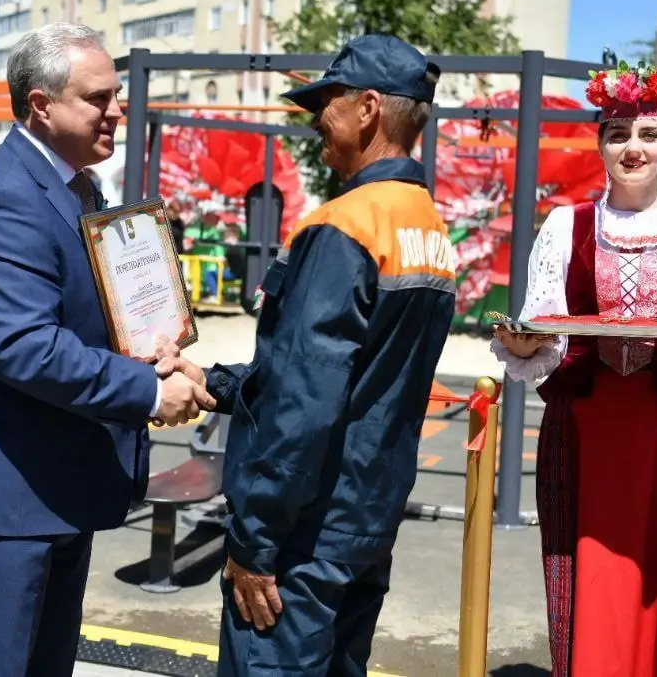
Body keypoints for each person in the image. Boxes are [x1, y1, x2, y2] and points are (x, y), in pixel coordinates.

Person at [0, 23, 213, 676]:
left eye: (117, 94)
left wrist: (154, 353)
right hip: (3, 502)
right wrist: (152, 392)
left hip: (54, 488)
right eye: (97, 98)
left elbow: (84, 324)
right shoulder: (4, 199)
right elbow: (26, 348)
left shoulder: (78, 189)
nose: (117, 109)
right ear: (41, 105)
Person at [165, 34, 458, 676]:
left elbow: (305, 401)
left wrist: (254, 540)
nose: (316, 121)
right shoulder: (425, 226)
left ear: (369, 109)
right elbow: (358, 378)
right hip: (366, 521)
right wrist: (213, 382)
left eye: (326, 103)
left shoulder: (343, 225)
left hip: (303, 532)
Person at [490, 62, 657, 676]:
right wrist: (525, 345)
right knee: (590, 559)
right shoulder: (567, 225)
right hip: (584, 421)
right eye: (617, 135)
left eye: (647, 134)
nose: (632, 148)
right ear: (600, 145)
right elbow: (544, 329)